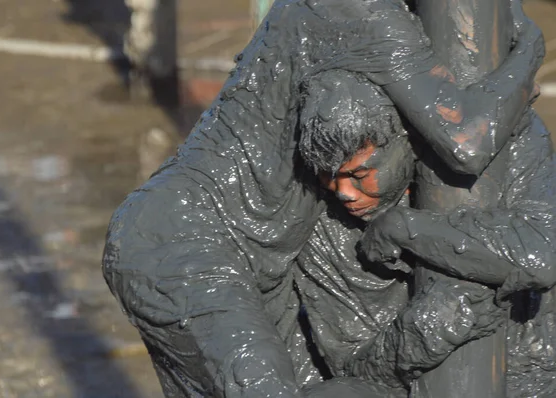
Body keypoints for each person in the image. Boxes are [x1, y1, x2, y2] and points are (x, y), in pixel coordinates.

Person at [102, 0, 545, 396]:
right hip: (189, 236)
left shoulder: (312, 19)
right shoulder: (362, 13)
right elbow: (466, 141)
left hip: (256, 254)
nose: (348, 193)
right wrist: (527, 53)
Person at [295, 69, 556, 396]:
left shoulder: (510, 138)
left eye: (360, 174)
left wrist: (405, 228)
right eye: (329, 176)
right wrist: (422, 332)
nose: (343, 191)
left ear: (406, 141)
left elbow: (541, 254)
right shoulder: (323, 225)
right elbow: (352, 366)